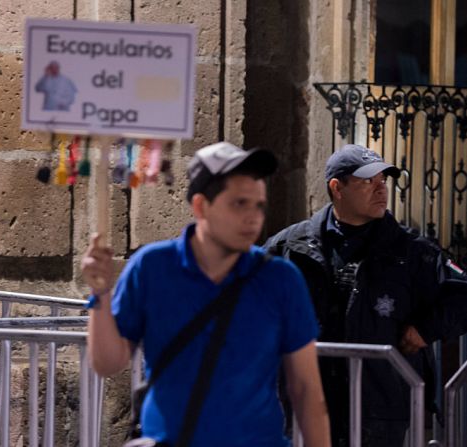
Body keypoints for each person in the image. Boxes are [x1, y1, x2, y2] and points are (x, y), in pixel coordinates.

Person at [82, 142, 331, 446]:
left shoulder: (281, 279)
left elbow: (307, 390)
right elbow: (108, 363)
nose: (254, 217)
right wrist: (101, 294)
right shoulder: (151, 267)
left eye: (259, 205)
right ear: (200, 206)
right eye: (239, 203)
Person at [264, 143, 467, 447]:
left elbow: (462, 298)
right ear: (337, 188)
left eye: (383, 181)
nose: (381, 190)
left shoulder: (413, 251)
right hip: (305, 404)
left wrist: (428, 328)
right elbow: (247, 298)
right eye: (367, 182)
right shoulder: (289, 246)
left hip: (379, 409)